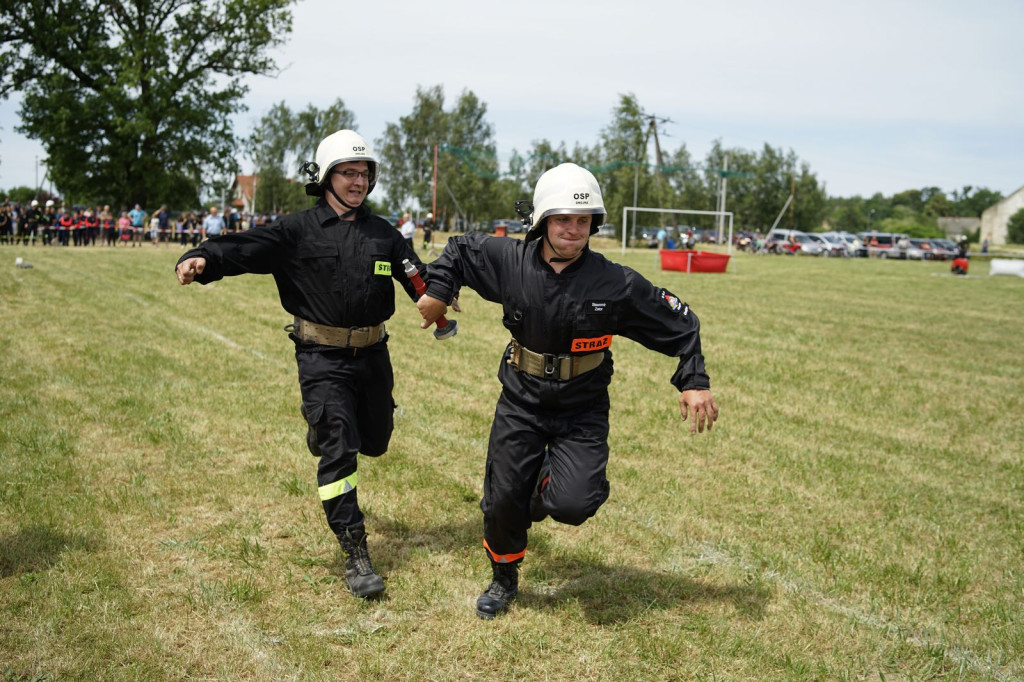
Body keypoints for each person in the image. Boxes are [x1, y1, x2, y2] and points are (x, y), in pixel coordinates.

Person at [415, 163, 719, 619]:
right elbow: (458, 251)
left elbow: (680, 322)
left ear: (593, 224)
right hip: (521, 399)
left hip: (582, 407)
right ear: (542, 221)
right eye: (563, 220)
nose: (573, 230)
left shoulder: (615, 283)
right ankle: (504, 578)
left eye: (582, 221)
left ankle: (540, 486)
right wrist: (440, 287)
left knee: (573, 503)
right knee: (502, 499)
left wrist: (694, 380)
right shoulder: (510, 262)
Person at [174, 129, 426, 600]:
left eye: (364, 173)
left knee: (376, 440)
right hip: (321, 358)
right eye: (348, 173)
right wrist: (201, 257)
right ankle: (355, 553)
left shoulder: (384, 234)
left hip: (374, 356)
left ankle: (329, 427)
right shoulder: (296, 231)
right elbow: (241, 246)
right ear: (325, 177)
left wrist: (436, 300)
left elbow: (418, 279)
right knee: (340, 449)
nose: (357, 181)